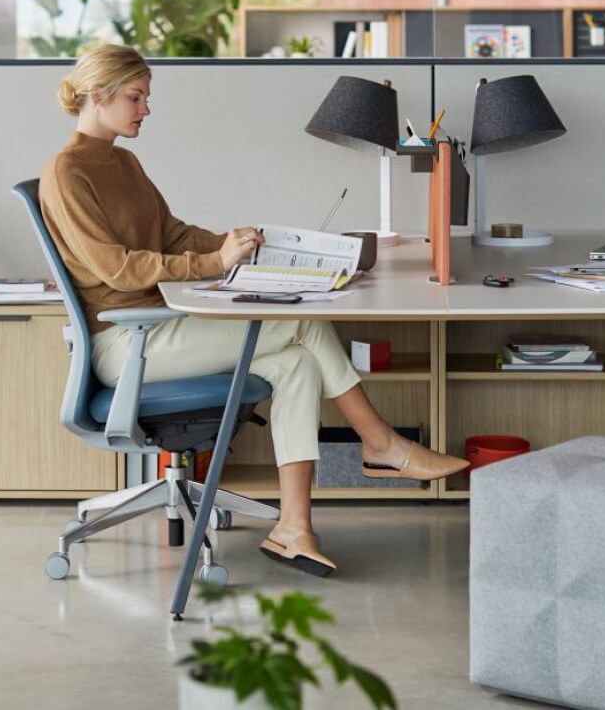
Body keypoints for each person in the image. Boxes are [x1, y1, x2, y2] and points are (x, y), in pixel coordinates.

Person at [40, 44, 469, 577]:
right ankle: (382, 444)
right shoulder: (66, 171)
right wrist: (212, 262)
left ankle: (294, 527)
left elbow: (170, 234)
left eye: (146, 97)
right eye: (136, 96)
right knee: (303, 320)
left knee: (296, 364)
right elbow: (117, 269)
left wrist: (234, 241)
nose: (145, 109)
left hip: (163, 327)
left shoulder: (123, 161)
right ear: (98, 95)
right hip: (126, 342)